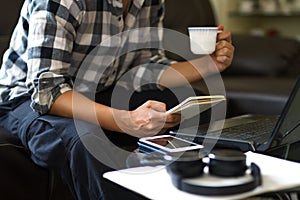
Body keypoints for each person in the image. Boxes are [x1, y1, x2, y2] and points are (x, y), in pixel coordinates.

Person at [0, 0, 234, 199]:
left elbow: (145, 67)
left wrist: (208, 64)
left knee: (199, 108)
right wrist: (126, 120)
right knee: (86, 139)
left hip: (102, 89)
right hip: (27, 98)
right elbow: (48, 92)